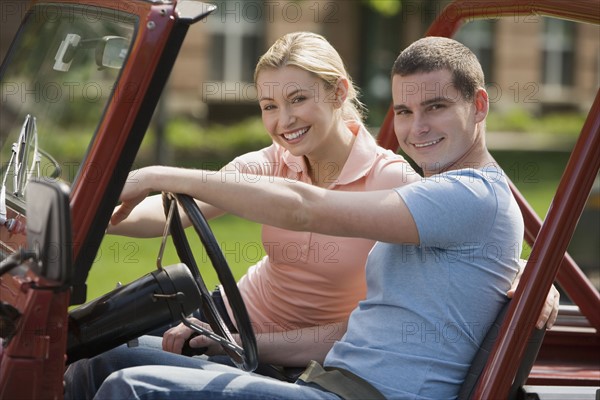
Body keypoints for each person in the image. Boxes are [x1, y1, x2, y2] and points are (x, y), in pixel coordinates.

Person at [65, 36, 560, 400]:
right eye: (405, 112)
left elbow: (307, 208)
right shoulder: (439, 197)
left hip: (360, 392)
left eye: (436, 107)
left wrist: (158, 173)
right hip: (322, 376)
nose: (416, 128)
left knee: (132, 388)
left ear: (478, 106)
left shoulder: (464, 194)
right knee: (96, 363)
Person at [108, 31, 418, 339]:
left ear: (338, 93)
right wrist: (92, 218)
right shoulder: (274, 160)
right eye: (269, 106)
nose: (284, 121)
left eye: (297, 99)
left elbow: (397, 315)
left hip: (294, 356)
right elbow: (175, 209)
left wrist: (152, 175)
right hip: (229, 315)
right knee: (88, 351)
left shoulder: (390, 179)